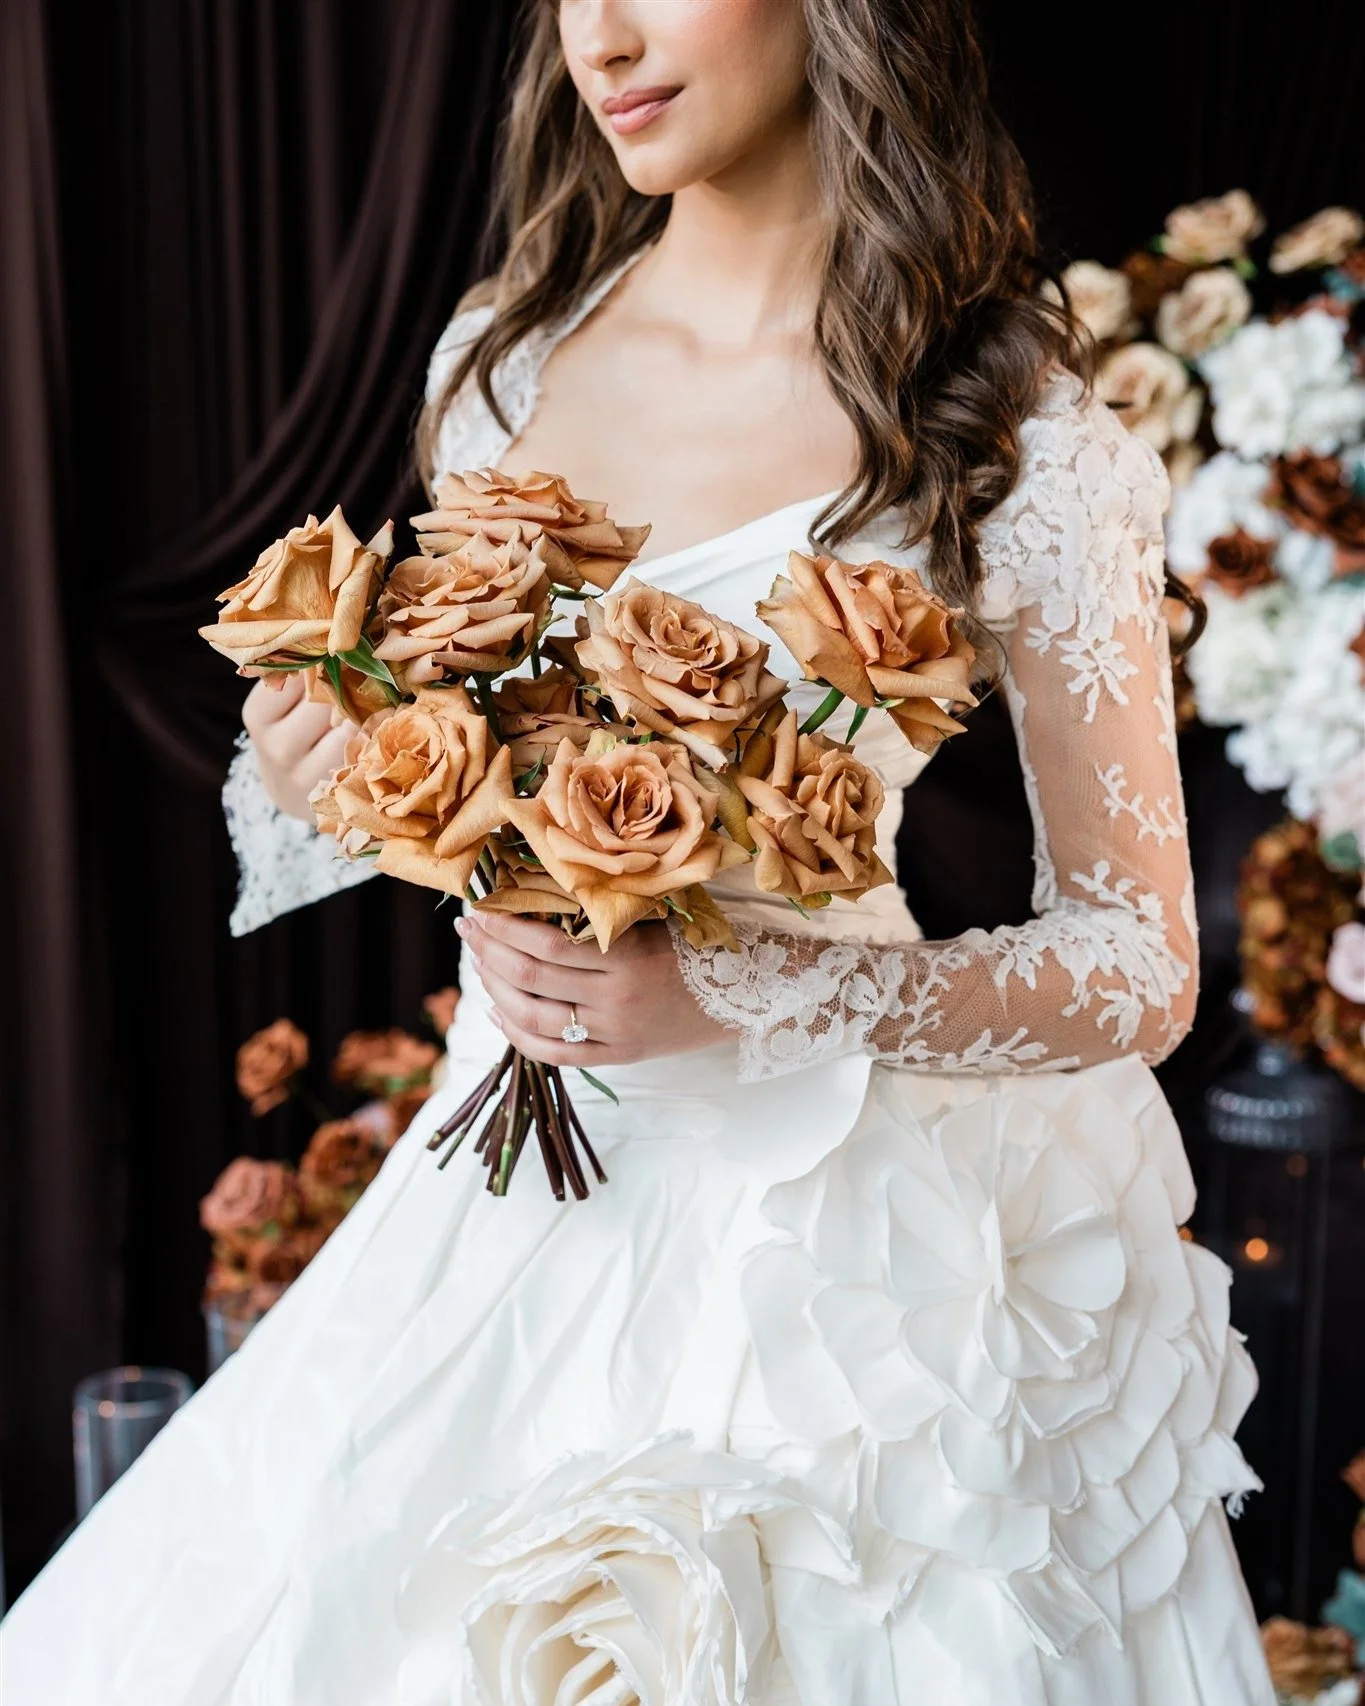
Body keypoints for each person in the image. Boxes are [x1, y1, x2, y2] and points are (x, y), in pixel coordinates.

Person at [1, 2, 1275, 1700]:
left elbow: (1139, 960)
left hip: (847, 1267)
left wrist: (754, 989)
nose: (599, 35)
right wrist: (330, 766)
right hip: (508, 1183)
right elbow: (461, 782)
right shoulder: (506, 360)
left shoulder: (1011, 433)